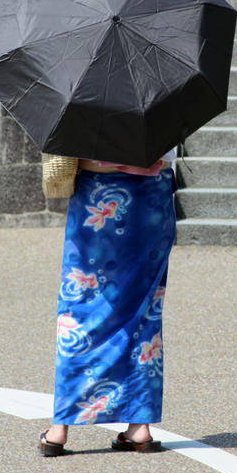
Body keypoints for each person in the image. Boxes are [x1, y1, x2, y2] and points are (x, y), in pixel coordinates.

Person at [38, 150, 177, 456]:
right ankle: (139, 427)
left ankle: (60, 428)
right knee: (143, 312)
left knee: (83, 309)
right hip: (151, 196)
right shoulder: (157, 100)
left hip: (98, 193)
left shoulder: (89, 101)